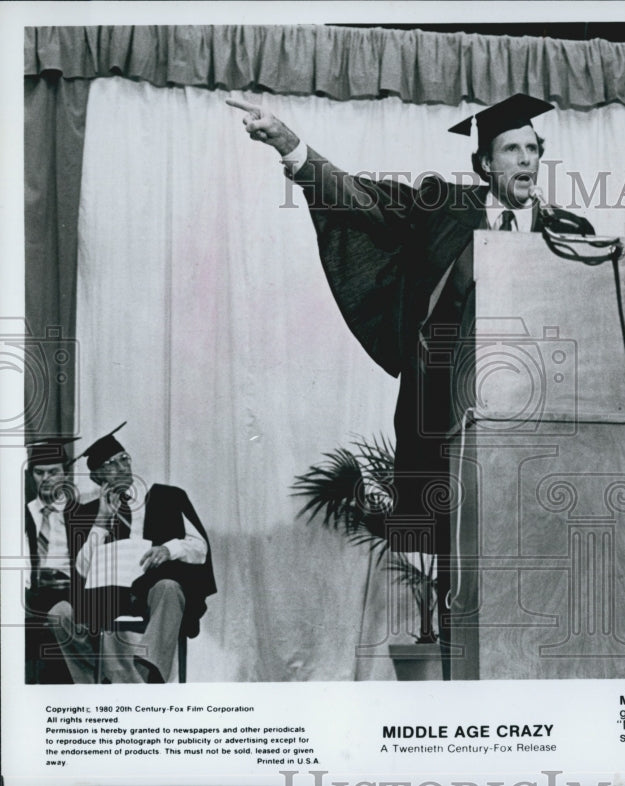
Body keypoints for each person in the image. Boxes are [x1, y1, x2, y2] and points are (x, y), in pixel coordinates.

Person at [226, 94, 595, 606]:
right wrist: (291, 145)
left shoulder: (569, 232)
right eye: (512, 149)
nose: (526, 159)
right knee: (460, 573)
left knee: (534, 570)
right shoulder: (441, 206)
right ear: (486, 164)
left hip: (537, 425)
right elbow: (360, 200)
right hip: (446, 413)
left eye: (533, 149)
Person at [68, 424, 216, 683]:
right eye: (111, 464)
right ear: (98, 476)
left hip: (155, 588)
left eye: (125, 459)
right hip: (113, 595)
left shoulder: (168, 497)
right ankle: (108, 686)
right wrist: (101, 521)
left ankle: (152, 672)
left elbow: (200, 546)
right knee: (69, 615)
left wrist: (168, 549)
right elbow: (82, 569)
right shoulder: (88, 512)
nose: (122, 466)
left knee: (169, 587)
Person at [23, 437, 93, 683]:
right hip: (32, 593)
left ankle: (94, 684)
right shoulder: (19, 513)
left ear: (65, 473)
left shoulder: (82, 514)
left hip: (71, 591)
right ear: (31, 475)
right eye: (39, 472)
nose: (46, 478)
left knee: (62, 615)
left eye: (53, 471)